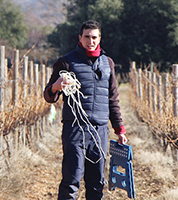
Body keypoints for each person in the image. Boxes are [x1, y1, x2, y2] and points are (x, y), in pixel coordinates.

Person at [43, 20, 128, 200]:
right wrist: (55, 87)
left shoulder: (108, 63)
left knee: (97, 183)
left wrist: (119, 129)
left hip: (100, 130)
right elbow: (48, 96)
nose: (91, 41)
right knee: (71, 180)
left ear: (100, 38)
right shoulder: (65, 62)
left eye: (94, 37)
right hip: (75, 129)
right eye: (87, 37)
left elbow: (112, 98)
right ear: (80, 38)